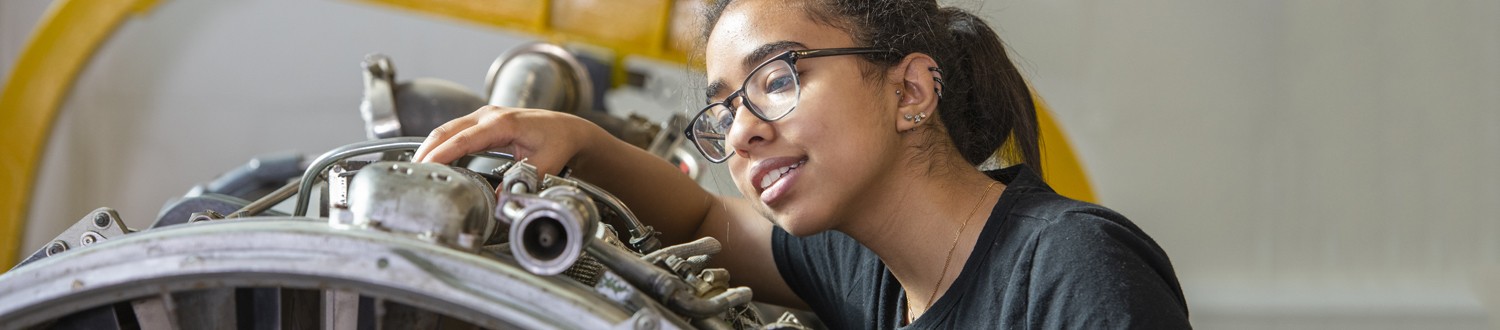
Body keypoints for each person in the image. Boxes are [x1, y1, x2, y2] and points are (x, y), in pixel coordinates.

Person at [414, 0, 1190, 328]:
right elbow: (711, 219)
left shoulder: (1071, 266)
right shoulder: (875, 270)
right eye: (724, 107)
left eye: (777, 79)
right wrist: (576, 141)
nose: (742, 132)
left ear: (912, 87)